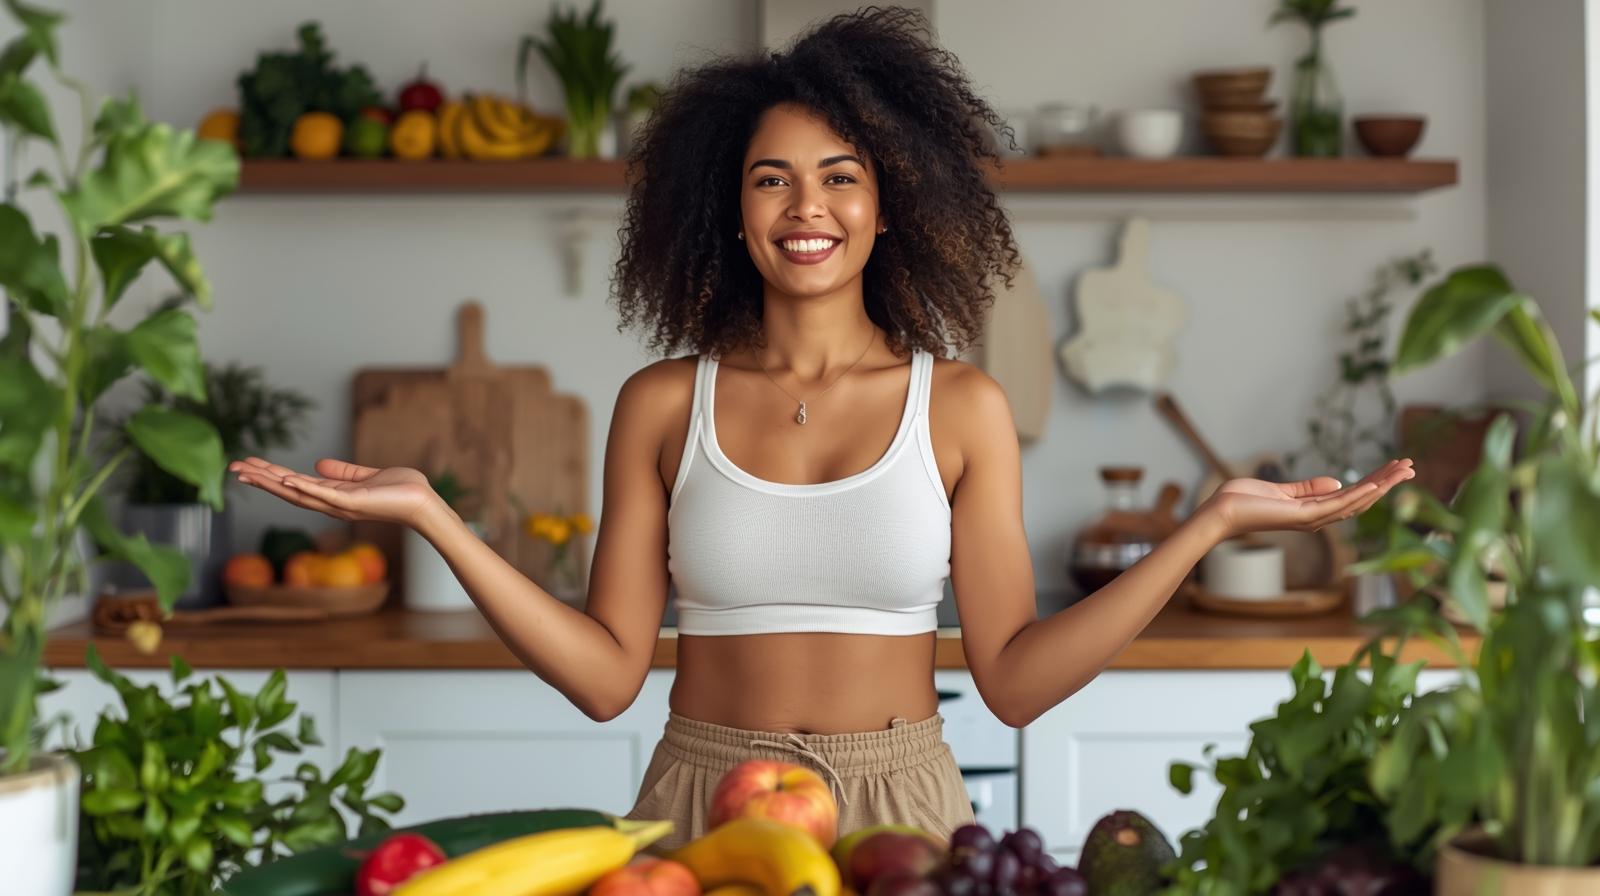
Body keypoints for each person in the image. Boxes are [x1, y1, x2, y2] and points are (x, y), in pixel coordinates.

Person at [229, 7, 1415, 848]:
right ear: (729, 212)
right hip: (696, 796)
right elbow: (604, 676)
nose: (809, 208)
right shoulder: (661, 401)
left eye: (841, 175)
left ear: (890, 204)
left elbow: (1011, 679)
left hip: (905, 801)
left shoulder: (959, 407)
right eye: (771, 179)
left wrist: (1204, 526)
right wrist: (433, 515)